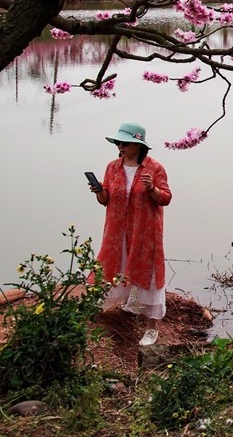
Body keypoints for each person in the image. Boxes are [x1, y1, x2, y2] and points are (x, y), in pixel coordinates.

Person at [92, 121, 172, 346]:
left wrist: (151, 189)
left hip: (145, 231)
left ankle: (151, 328)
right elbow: (105, 200)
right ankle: (128, 304)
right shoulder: (112, 167)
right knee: (116, 265)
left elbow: (165, 198)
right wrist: (99, 192)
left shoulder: (154, 168)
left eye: (125, 143)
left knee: (148, 273)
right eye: (118, 142)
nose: (121, 146)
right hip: (117, 231)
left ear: (138, 145)